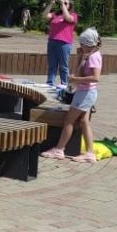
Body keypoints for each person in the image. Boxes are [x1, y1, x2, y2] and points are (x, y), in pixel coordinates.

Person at [42, 28, 103, 162]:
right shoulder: (89, 55)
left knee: (69, 120)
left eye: (82, 44)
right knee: (83, 121)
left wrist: (76, 80)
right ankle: (90, 152)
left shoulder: (93, 57)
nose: (80, 46)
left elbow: (95, 77)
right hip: (85, 92)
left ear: (88, 44)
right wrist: (80, 57)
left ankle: (59, 149)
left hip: (85, 93)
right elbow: (78, 71)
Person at [42, 0, 78, 88]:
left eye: (66, 3)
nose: (63, 4)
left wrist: (62, 4)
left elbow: (67, 18)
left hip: (64, 43)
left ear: (70, 6)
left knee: (63, 65)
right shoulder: (55, 15)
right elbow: (44, 16)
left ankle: (64, 84)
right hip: (52, 41)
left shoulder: (73, 15)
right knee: (52, 64)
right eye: (63, 2)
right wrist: (51, 4)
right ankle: (50, 83)